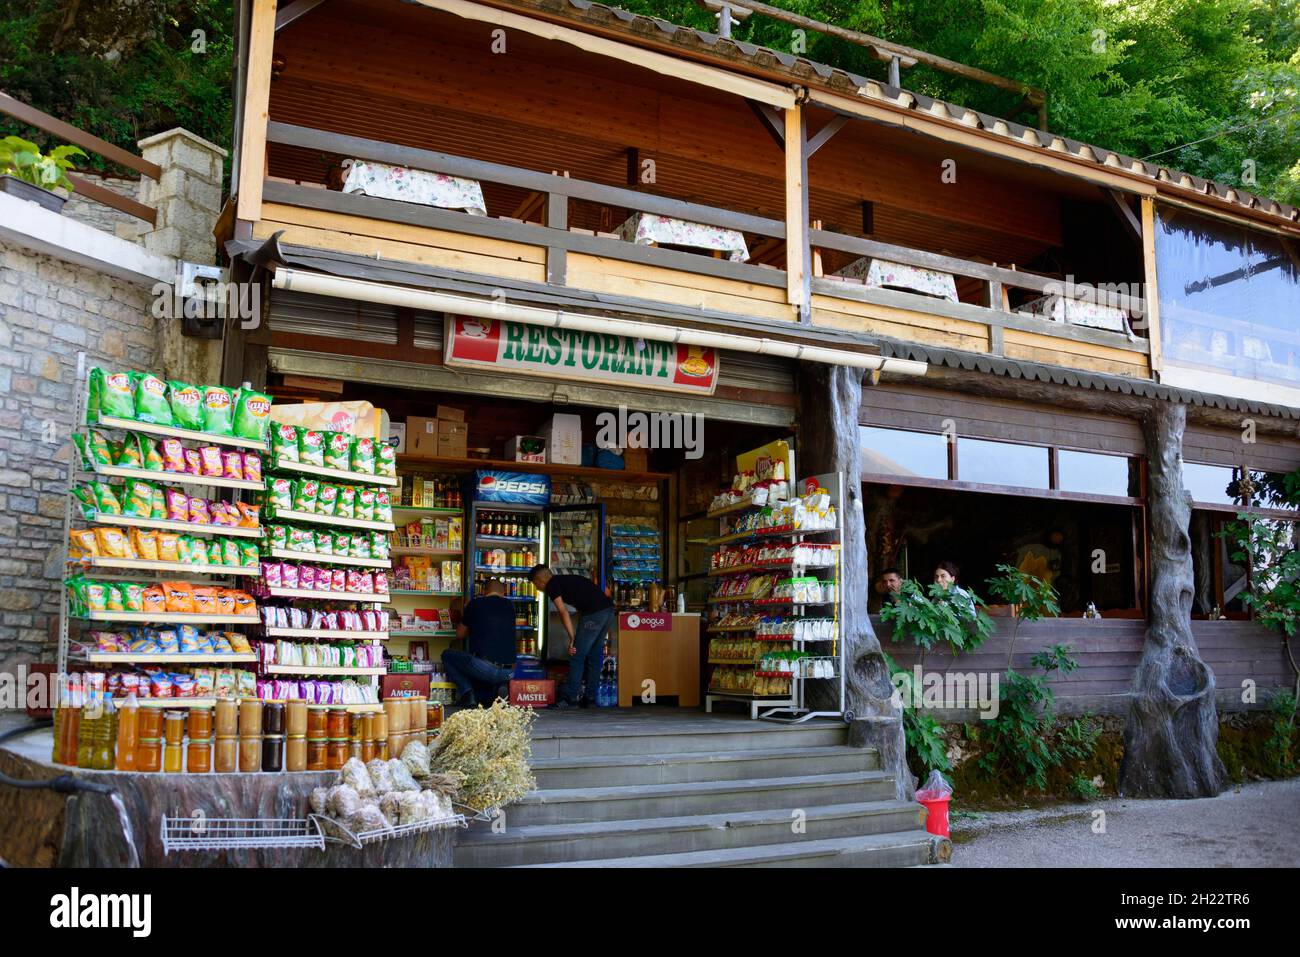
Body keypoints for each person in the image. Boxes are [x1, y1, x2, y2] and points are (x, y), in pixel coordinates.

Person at [529, 564, 614, 709]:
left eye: (536, 584)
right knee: (594, 656)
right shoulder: (565, 580)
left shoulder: (552, 585)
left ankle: (570, 699)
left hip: (594, 615)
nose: (537, 588)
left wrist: (572, 638)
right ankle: (590, 698)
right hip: (608, 612)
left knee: (577, 656)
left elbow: (563, 612)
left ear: (541, 579)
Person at [441, 578, 517, 706]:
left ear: (483, 591)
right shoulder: (510, 606)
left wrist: (466, 615)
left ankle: (467, 693)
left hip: (484, 668)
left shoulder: (475, 604)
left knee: (447, 655)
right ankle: (499, 687)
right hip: (509, 672)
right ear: (503, 592)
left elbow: (460, 634)